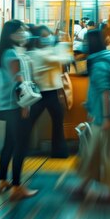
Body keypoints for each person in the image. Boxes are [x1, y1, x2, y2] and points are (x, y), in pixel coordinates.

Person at [74, 30, 110, 203]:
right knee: (96, 153)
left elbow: (105, 91)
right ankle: (83, 187)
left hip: (103, 117)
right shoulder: (108, 58)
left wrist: (105, 117)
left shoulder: (98, 64)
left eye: (85, 41)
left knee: (100, 154)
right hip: (99, 114)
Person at [0, 20, 38, 201]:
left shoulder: (2, 51)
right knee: (20, 146)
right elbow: (18, 80)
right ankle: (17, 186)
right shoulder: (12, 53)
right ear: (11, 34)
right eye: (20, 31)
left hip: (7, 105)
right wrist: (25, 104)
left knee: (8, 145)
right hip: (16, 106)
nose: (23, 34)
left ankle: (3, 180)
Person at [26, 25, 73, 158]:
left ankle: (58, 151)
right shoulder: (35, 53)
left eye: (48, 35)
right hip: (40, 93)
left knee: (57, 122)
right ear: (36, 38)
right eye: (44, 36)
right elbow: (63, 59)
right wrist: (61, 44)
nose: (47, 39)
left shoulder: (46, 51)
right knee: (30, 122)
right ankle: (21, 148)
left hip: (52, 92)